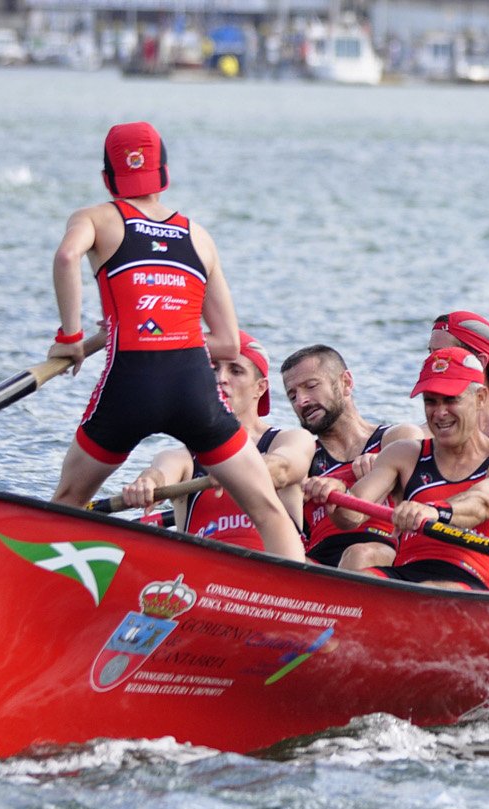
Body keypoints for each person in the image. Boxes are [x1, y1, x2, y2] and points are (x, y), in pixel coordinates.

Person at [45, 121, 304, 561]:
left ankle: (32, 596)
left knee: (67, 502)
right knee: (266, 509)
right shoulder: (198, 236)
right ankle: (299, 606)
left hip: (127, 385)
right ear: (163, 174)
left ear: (108, 177)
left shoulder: (95, 218)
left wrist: (70, 338)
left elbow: (68, 256)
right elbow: (225, 341)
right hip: (192, 388)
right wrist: (176, 337)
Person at [309, 348, 489, 590]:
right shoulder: (404, 454)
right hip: (407, 574)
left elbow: (482, 503)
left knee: (440, 589)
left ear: (480, 398)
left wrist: (435, 512)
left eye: (451, 400)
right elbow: (351, 517)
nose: (439, 413)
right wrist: (336, 496)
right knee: (362, 581)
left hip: (472, 582)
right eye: (430, 401)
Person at [118, 331, 313, 547]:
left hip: (274, 570)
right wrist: (147, 483)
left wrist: (236, 471)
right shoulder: (182, 457)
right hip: (204, 576)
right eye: (213, 369)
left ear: (260, 388)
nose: (220, 379)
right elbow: (160, 474)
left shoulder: (291, 439)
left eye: (236, 371)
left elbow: (284, 467)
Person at [280, 344, 420, 569]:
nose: (301, 401)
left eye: (311, 386)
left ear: (346, 383)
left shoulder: (395, 440)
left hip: (383, 552)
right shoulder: (303, 457)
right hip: (317, 561)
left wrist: (383, 467)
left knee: (359, 554)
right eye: (292, 395)